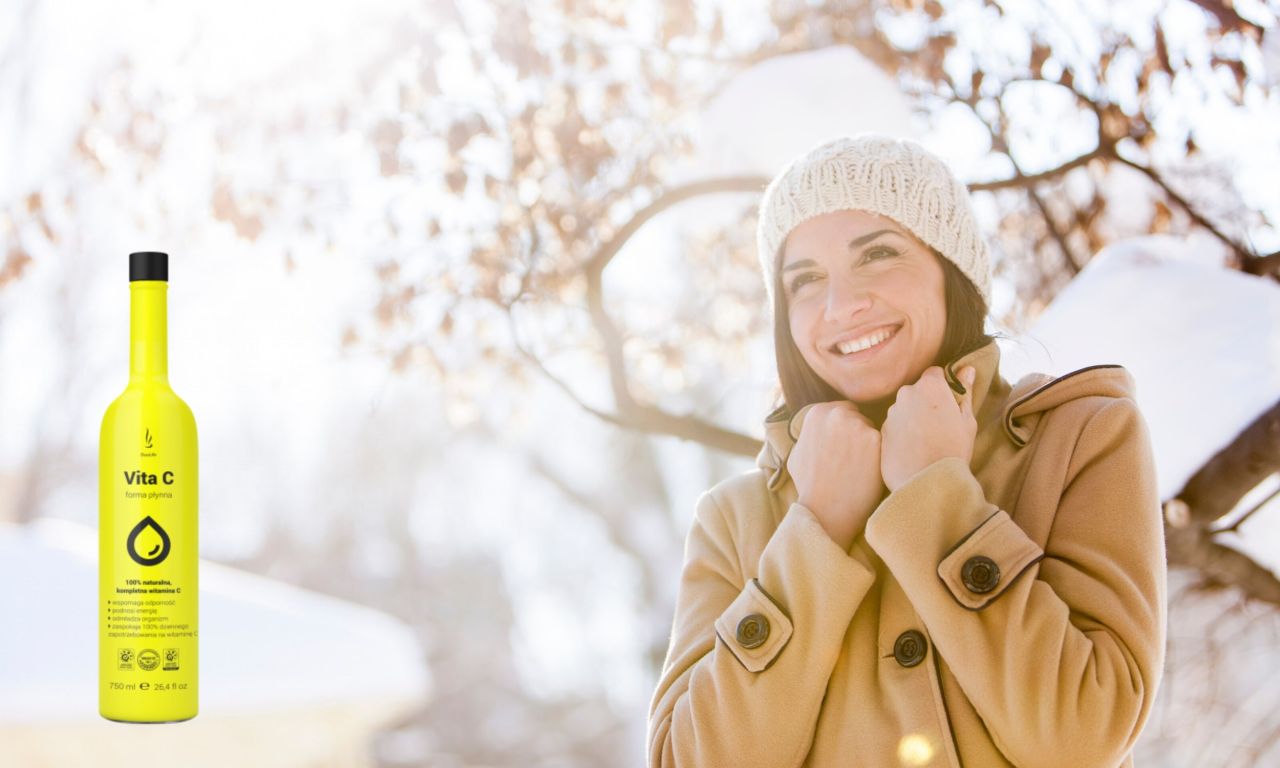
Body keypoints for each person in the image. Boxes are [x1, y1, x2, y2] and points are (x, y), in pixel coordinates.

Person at [646, 133, 1168, 768]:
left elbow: (1082, 733)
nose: (841, 306)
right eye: (805, 280)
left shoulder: (1079, 436)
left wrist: (936, 496)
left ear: (952, 271)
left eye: (878, 255)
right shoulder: (734, 521)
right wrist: (814, 534)